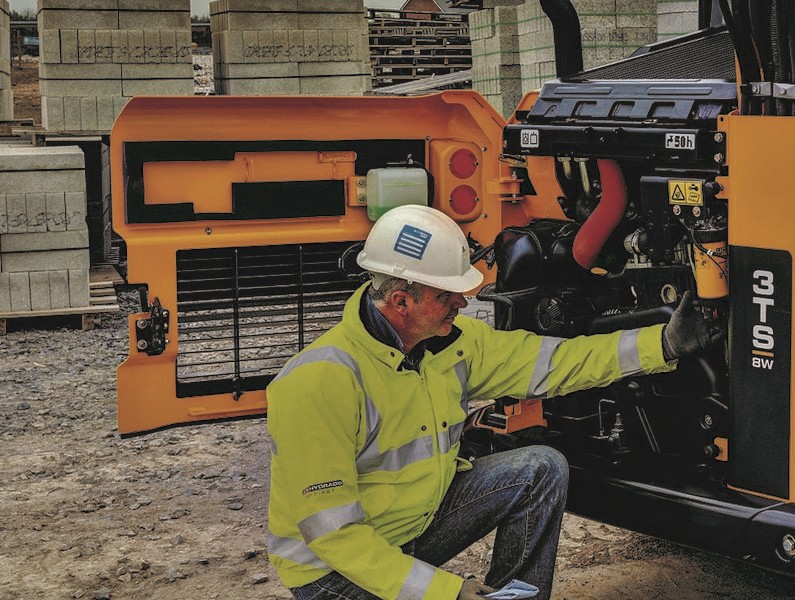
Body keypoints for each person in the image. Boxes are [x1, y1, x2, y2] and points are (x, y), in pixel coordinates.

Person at [264, 205, 724, 600]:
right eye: (446, 296)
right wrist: (444, 591)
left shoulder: (452, 343)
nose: (462, 304)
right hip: (336, 577)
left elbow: (555, 363)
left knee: (540, 468)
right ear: (401, 301)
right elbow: (335, 536)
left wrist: (662, 344)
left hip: (412, 528)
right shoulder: (320, 382)